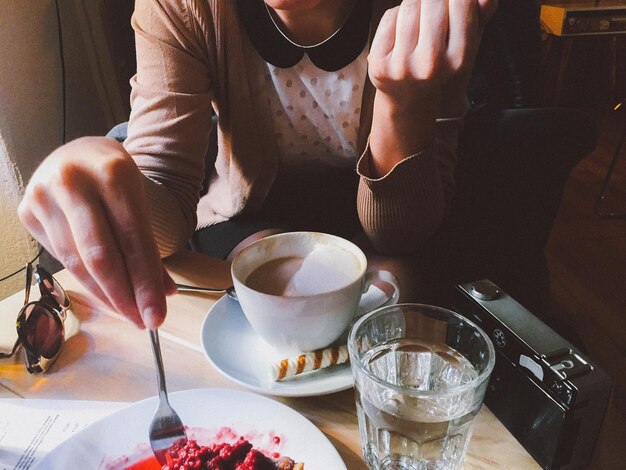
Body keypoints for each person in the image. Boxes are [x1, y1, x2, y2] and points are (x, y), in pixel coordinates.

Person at [18, 0, 498, 330]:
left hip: (380, 220)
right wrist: (113, 182)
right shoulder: (183, 7)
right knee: (275, 300)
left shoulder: (432, 13)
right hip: (248, 212)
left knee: (395, 300)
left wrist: (403, 102)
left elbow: (402, 234)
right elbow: (165, 191)